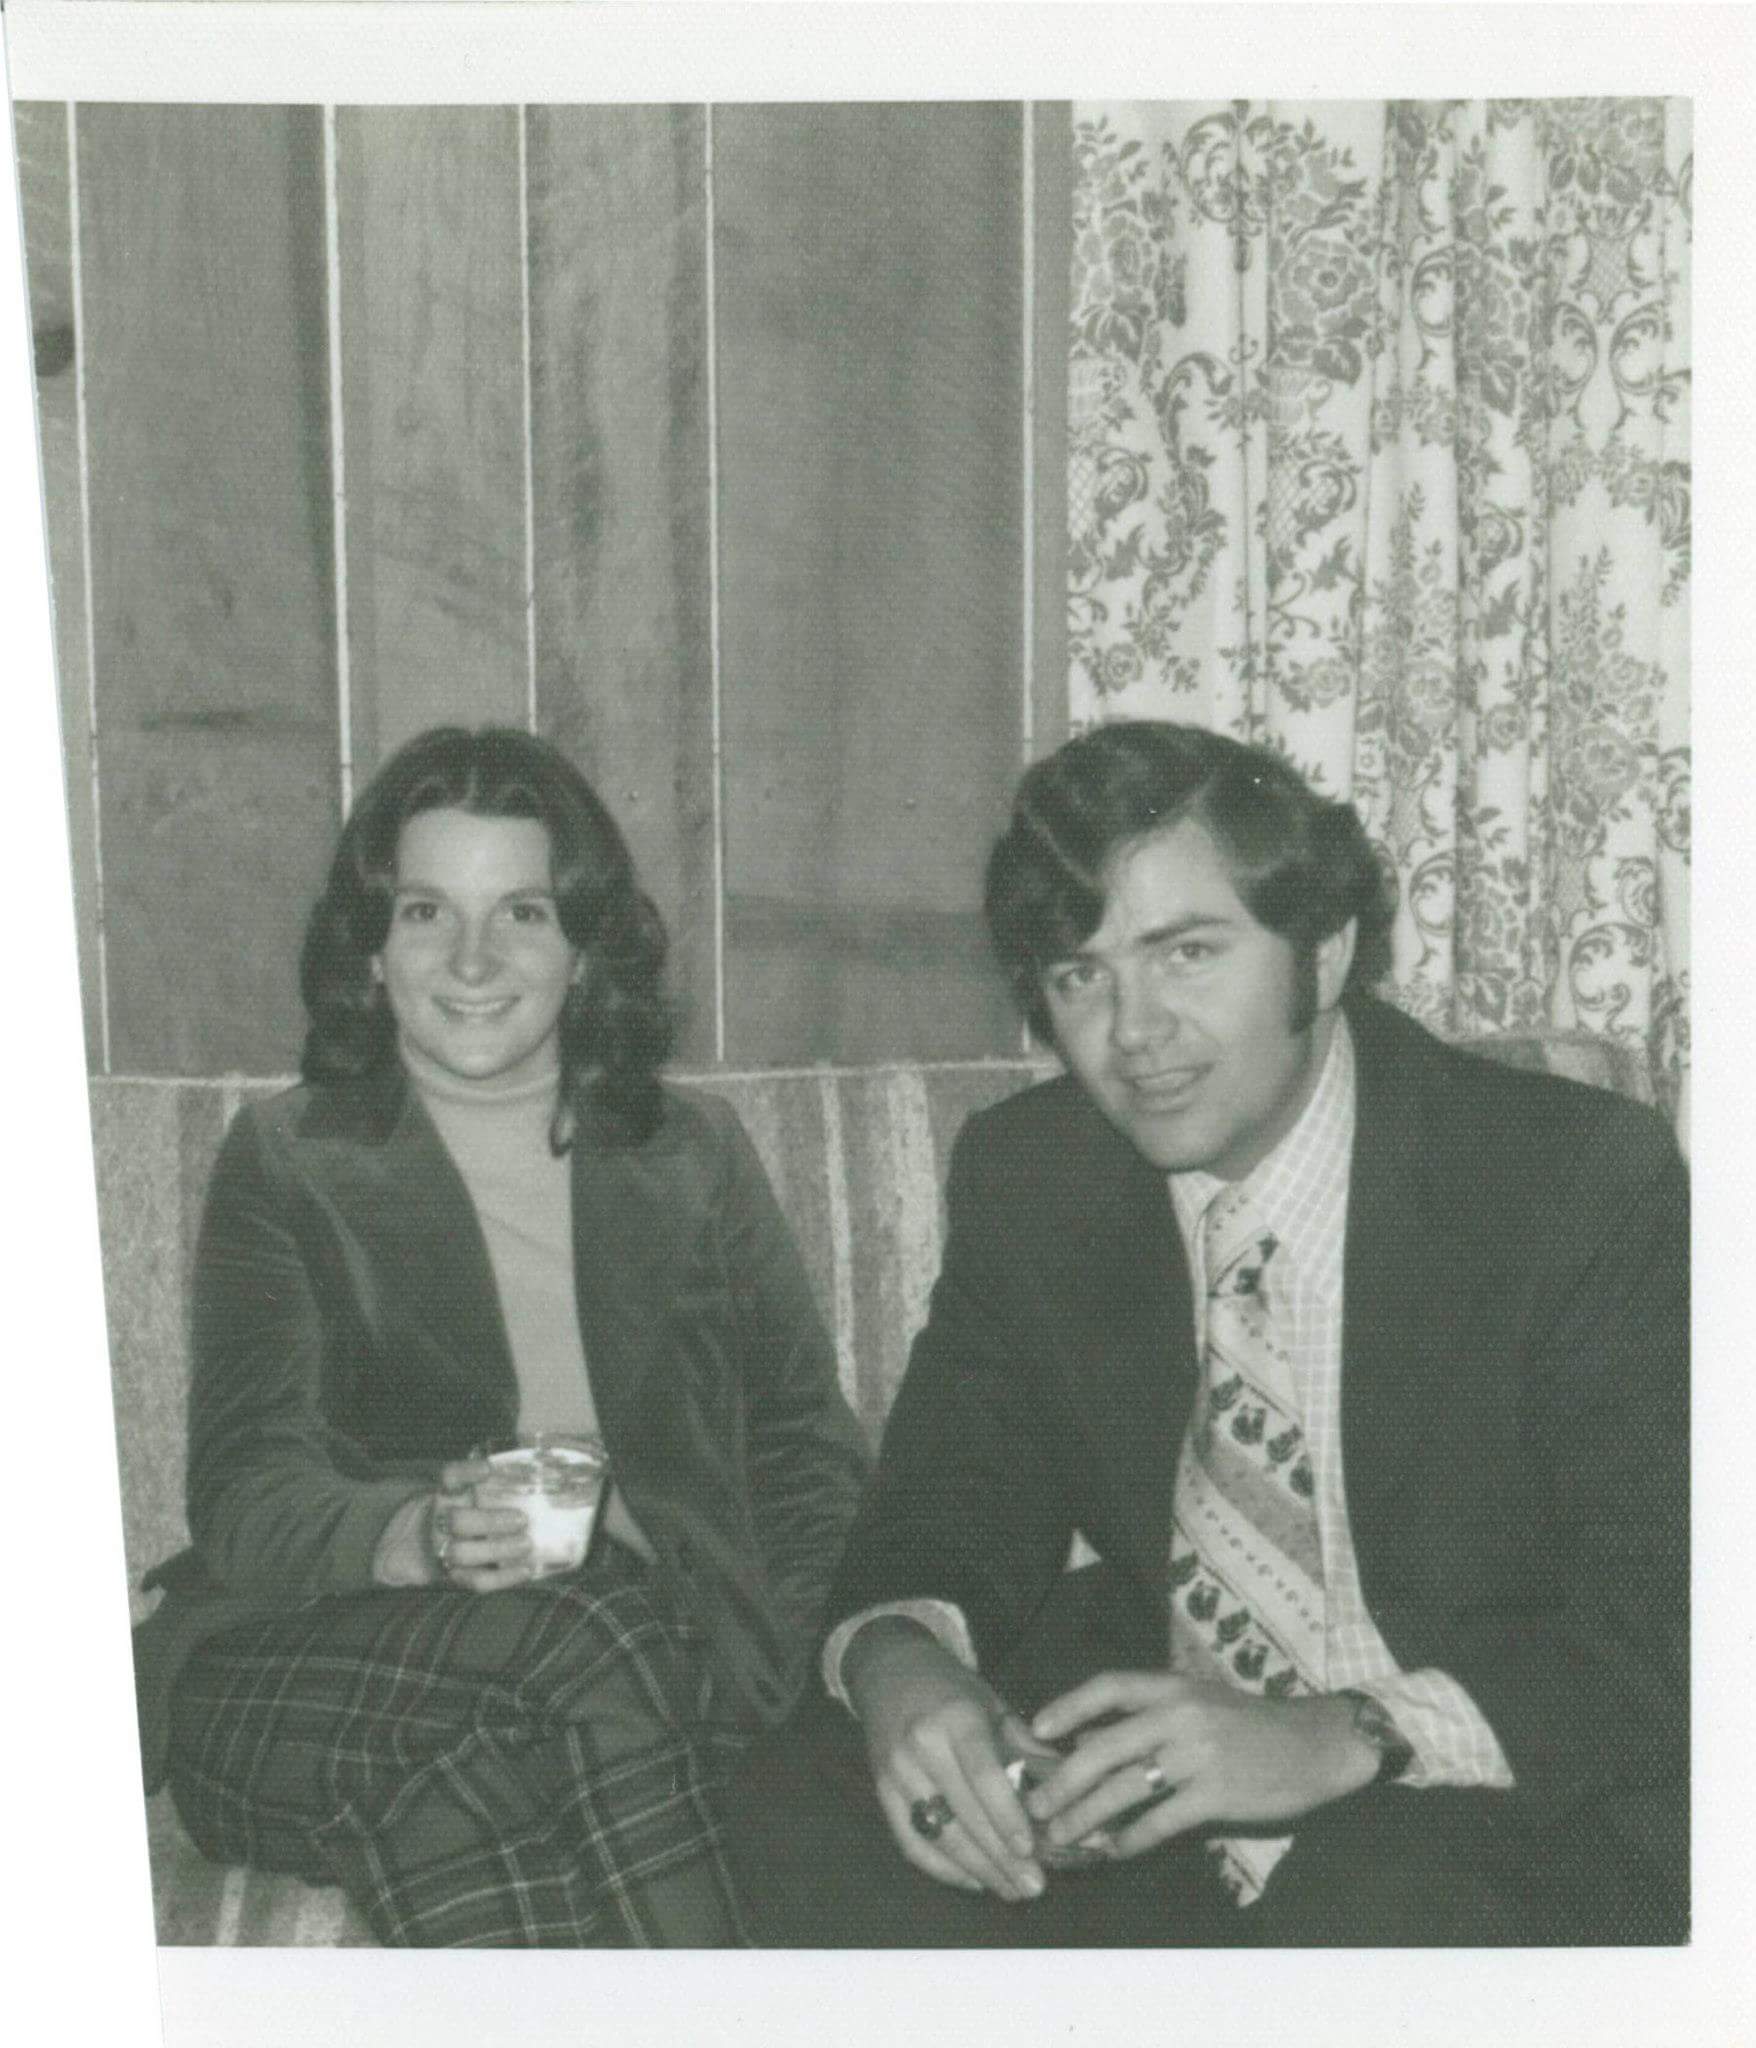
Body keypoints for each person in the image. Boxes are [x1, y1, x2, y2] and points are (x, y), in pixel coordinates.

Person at [726, 719, 1688, 1948]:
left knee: (1369, 1912)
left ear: (1322, 953)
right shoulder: (1034, 1175)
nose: (1134, 1030)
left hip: (1492, 1787)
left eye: (1185, 952)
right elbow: (949, 1497)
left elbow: (1675, 1615)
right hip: (1162, 1772)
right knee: (800, 1803)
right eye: (1080, 975)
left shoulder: (1565, 1178)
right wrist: (898, 1663)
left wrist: (1342, 1732)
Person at [132, 725, 869, 1947]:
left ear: (583, 949)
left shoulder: (692, 1157)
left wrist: (774, 1662)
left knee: (481, 1790)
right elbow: (244, 1489)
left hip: (599, 1685)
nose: (472, 958)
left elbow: (807, 1457)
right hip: (307, 1668)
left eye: (521, 912)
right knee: (598, 1638)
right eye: (426, 911)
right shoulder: (289, 1159)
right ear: (373, 948)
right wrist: (415, 1533)